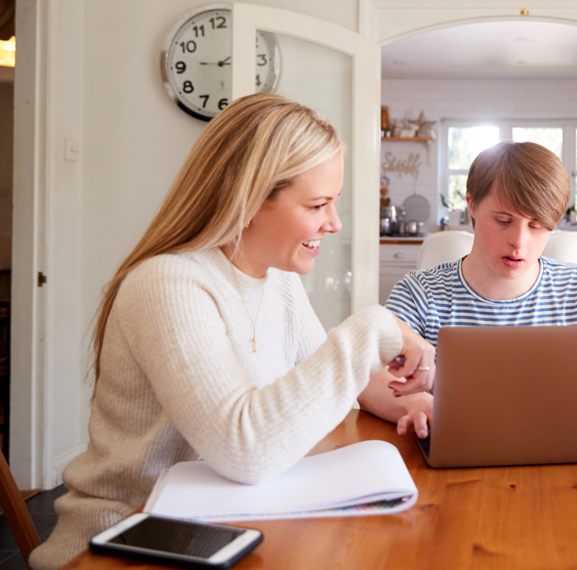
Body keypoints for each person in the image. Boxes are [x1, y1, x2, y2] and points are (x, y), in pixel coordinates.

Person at [29, 94, 435, 570]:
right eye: (318, 204)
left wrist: (412, 401)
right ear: (247, 199)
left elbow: (343, 381)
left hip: (225, 525)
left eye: (335, 202)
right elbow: (244, 448)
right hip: (126, 542)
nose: (334, 223)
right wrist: (373, 327)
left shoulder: (277, 278)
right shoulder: (168, 283)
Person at [385, 142, 577, 432]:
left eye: (536, 225)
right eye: (503, 220)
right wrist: (414, 402)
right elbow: (366, 375)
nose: (519, 242)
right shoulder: (419, 294)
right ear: (471, 204)